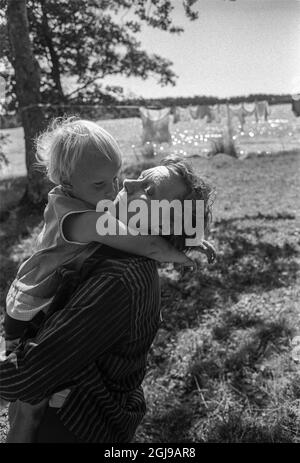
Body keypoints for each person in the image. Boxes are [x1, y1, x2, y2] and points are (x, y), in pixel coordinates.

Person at [1, 118, 200, 443]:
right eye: (99, 184)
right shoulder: (83, 219)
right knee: (27, 405)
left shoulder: (119, 275)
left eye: (147, 191)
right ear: (67, 180)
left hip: (35, 313)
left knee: (29, 403)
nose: (120, 186)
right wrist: (181, 245)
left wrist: (184, 241)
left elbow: (145, 240)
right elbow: (148, 242)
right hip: (28, 308)